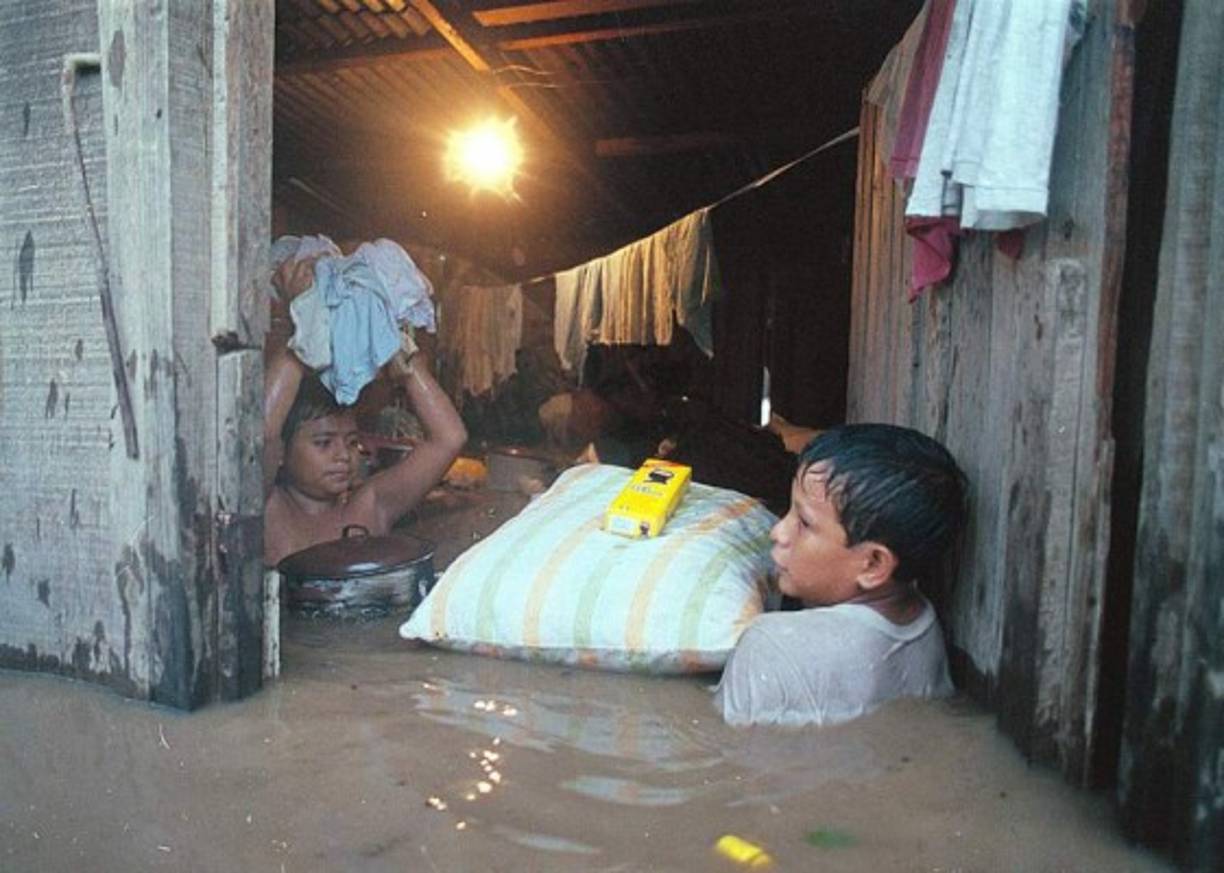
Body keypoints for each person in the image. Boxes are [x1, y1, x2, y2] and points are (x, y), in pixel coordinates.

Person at [713, 423, 967, 726]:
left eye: (804, 523)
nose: (778, 531)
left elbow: (723, 743)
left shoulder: (771, 645)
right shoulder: (923, 621)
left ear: (873, 565)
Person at [263, 251, 466, 567]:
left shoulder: (370, 506)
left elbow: (449, 439)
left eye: (352, 442)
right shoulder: (267, 508)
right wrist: (306, 329)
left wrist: (400, 352)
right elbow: (261, 433)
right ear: (281, 452)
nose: (344, 456)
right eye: (323, 443)